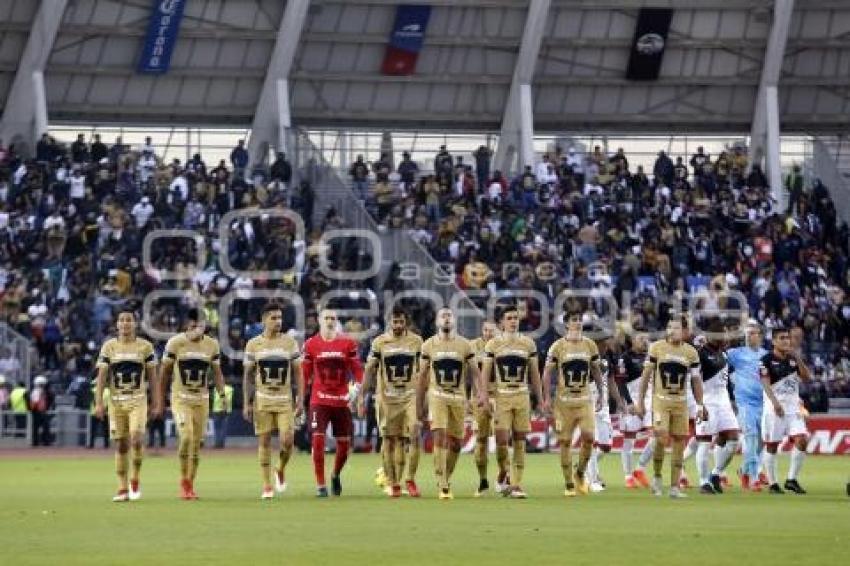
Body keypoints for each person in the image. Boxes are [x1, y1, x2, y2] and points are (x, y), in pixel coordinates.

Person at [416, 307, 486, 500]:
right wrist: (419, 403)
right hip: (437, 395)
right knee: (439, 437)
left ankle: (446, 476)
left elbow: (475, 371)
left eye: (449, 315)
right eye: (443, 316)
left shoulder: (464, 345)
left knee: (456, 444)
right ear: (437, 322)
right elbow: (422, 377)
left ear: (454, 320)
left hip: (458, 398)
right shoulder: (428, 345)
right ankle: (443, 482)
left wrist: (481, 393)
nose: (446, 318)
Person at [160, 308, 228, 500]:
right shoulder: (175, 343)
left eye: (200, 325)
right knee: (187, 437)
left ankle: (190, 485)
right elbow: (164, 372)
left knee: (197, 445)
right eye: (193, 325)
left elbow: (217, 373)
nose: (197, 328)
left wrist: (222, 395)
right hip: (181, 399)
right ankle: (184, 481)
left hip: (202, 400)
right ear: (187, 325)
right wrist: (159, 397)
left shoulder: (212, 345)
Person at [635, 316, 707, 499]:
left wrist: (700, 404)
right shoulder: (656, 348)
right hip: (661, 401)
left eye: (676, 328)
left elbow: (696, 381)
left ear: (684, 331)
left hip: (681, 404)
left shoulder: (691, 353)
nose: (672, 331)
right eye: (669, 327)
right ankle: (657, 477)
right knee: (660, 437)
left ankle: (674, 487)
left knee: (679, 442)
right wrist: (640, 401)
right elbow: (645, 376)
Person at [94, 310, 159, 501]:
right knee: (121, 445)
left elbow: (153, 378)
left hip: (137, 400)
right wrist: (98, 403)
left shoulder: (145, 347)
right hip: (116, 402)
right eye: (121, 320)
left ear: (134, 324)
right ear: (117, 325)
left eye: (129, 320)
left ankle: (135, 478)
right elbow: (101, 378)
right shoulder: (109, 347)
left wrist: (156, 402)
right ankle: (122, 488)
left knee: (137, 439)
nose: (125, 323)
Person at [359, 307, 423, 498]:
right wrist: (362, 396)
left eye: (401, 322)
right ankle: (394, 482)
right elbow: (370, 369)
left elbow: (423, 370)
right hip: (387, 398)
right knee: (390, 440)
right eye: (394, 322)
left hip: (409, 396)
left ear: (406, 322)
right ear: (389, 322)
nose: (397, 325)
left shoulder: (416, 341)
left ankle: (410, 479)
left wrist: (424, 396)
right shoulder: (379, 342)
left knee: (413, 434)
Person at [243, 303, 304, 499]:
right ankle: (267, 485)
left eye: (280, 317)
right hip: (262, 400)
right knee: (265, 442)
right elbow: (248, 376)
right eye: (273, 318)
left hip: (284, 400)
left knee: (288, 441)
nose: (278, 321)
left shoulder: (290, 343)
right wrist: (247, 402)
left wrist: (300, 399)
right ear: (264, 320)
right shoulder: (253, 344)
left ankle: (280, 468)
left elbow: (298, 374)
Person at [543, 310, 607, 497]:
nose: (578, 323)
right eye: (574, 320)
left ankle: (580, 473)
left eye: (579, 319)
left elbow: (595, 370)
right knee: (565, 442)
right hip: (563, 402)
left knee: (588, 437)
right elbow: (547, 373)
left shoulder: (590, 344)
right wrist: (546, 397)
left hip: (584, 400)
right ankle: (569, 483)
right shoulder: (557, 346)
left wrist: (601, 394)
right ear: (566, 324)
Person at [482, 304, 542, 499]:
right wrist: (483, 396)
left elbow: (535, 374)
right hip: (502, 397)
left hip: (522, 396)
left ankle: (516, 484)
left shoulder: (528, 344)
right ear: (501, 322)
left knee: (519, 441)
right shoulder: (493, 345)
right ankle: (502, 473)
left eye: (515, 317)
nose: (513, 321)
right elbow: (485, 374)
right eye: (509, 318)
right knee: (501, 441)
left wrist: (540, 399)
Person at [302, 309, 363, 497]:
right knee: (318, 440)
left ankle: (335, 474)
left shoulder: (347, 343)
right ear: (319, 321)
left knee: (344, 447)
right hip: (319, 400)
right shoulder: (311, 344)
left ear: (337, 322)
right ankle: (321, 485)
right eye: (326, 318)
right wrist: (299, 401)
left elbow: (358, 371)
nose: (330, 321)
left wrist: (358, 392)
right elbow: (305, 375)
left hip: (341, 400)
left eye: (333, 318)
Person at [759, 326, 811, 494]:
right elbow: (765, 383)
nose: (786, 341)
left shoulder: (793, 359)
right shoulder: (765, 359)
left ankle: (791, 479)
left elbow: (807, 378)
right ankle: (773, 483)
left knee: (802, 440)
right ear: (774, 341)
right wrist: (775, 403)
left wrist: (797, 357)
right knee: (772, 446)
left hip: (793, 408)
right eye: (782, 338)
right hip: (774, 408)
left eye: (787, 338)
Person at [694, 323, 740, 495]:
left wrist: (733, 400)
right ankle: (703, 482)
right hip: (706, 402)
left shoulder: (724, 355)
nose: (726, 338)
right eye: (723, 334)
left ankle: (715, 473)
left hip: (724, 403)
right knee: (704, 443)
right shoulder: (700, 354)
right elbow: (694, 380)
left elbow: (727, 381)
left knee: (734, 439)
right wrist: (699, 404)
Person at [726, 322, 768, 491]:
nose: (751, 336)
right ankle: (754, 477)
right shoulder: (735, 354)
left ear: (760, 336)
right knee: (750, 438)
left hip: (764, 404)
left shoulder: (767, 355)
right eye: (748, 333)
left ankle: (744, 471)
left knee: (761, 442)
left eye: (754, 333)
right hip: (745, 404)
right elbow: (716, 360)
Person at [616, 332, 655, 488]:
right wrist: (630, 402)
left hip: (649, 401)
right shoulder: (624, 357)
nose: (645, 342)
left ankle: (640, 468)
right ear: (632, 341)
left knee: (658, 436)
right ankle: (628, 476)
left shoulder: (651, 357)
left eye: (646, 339)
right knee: (629, 440)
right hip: (630, 401)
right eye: (640, 339)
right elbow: (620, 382)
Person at [468, 320, 499, 496]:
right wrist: (465, 398)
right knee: (481, 442)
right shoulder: (472, 347)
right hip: (479, 400)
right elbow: (466, 374)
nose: (488, 333)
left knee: (502, 439)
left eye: (491, 331)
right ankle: (483, 480)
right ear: (482, 330)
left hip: (500, 398)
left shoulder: (502, 346)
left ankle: (504, 477)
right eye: (486, 330)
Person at [29, 375, 54, 447]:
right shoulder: (36, 392)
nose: (42, 386)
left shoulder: (44, 392)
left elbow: (49, 400)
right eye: (41, 384)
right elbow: (34, 402)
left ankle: (44, 442)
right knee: (37, 428)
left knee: (44, 427)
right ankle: (37, 442)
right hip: (38, 411)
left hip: (41, 411)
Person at [89, 378, 110, 449]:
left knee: (93, 430)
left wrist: (98, 410)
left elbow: (94, 401)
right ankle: (106, 444)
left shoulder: (94, 390)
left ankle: (91, 444)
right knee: (106, 430)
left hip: (95, 412)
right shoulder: (108, 391)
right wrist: (103, 410)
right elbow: (109, 403)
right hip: (105, 413)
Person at [212, 381, 234, 449]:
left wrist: (223, 406)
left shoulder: (217, 388)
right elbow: (229, 399)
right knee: (222, 428)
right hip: (223, 410)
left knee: (217, 428)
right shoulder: (230, 389)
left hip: (218, 410)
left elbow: (216, 398)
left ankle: (218, 443)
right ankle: (220, 443)